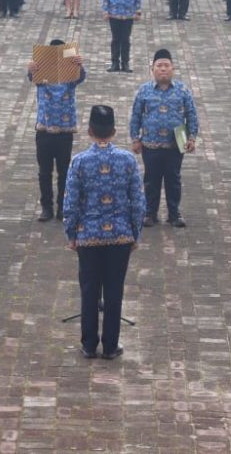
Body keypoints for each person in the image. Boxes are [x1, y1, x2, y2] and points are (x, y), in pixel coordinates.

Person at [62, 105, 145, 360]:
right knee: (114, 290)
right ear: (114, 131)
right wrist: (135, 233)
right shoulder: (128, 160)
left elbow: (70, 202)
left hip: (88, 235)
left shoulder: (79, 162)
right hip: (120, 236)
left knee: (89, 290)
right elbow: (138, 202)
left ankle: (88, 344)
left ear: (89, 131)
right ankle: (110, 345)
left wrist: (71, 234)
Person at [129, 49, 199, 228]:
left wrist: (192, 137)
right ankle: (150, 214)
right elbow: (136, 115)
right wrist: (135, 139)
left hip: (175, 145)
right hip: (150, 144)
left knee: (173, 179)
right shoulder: (144, 90)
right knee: (151, 180)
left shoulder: (183, 90)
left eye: (166, 66)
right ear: (152, 69)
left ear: (173, 68)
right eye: (159, 66)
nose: (163, 69)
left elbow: (191, 114)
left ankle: (174, 214)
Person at [27, 41, 86, 222]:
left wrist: (79, 65)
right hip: (44, 130)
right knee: (44, 172)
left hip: (64, 131)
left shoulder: (70, 80)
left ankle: (63, 207)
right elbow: (31, 76)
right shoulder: (41, 78)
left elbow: (81, 77)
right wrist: (31, 69)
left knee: (64, 171)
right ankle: (46, 207)